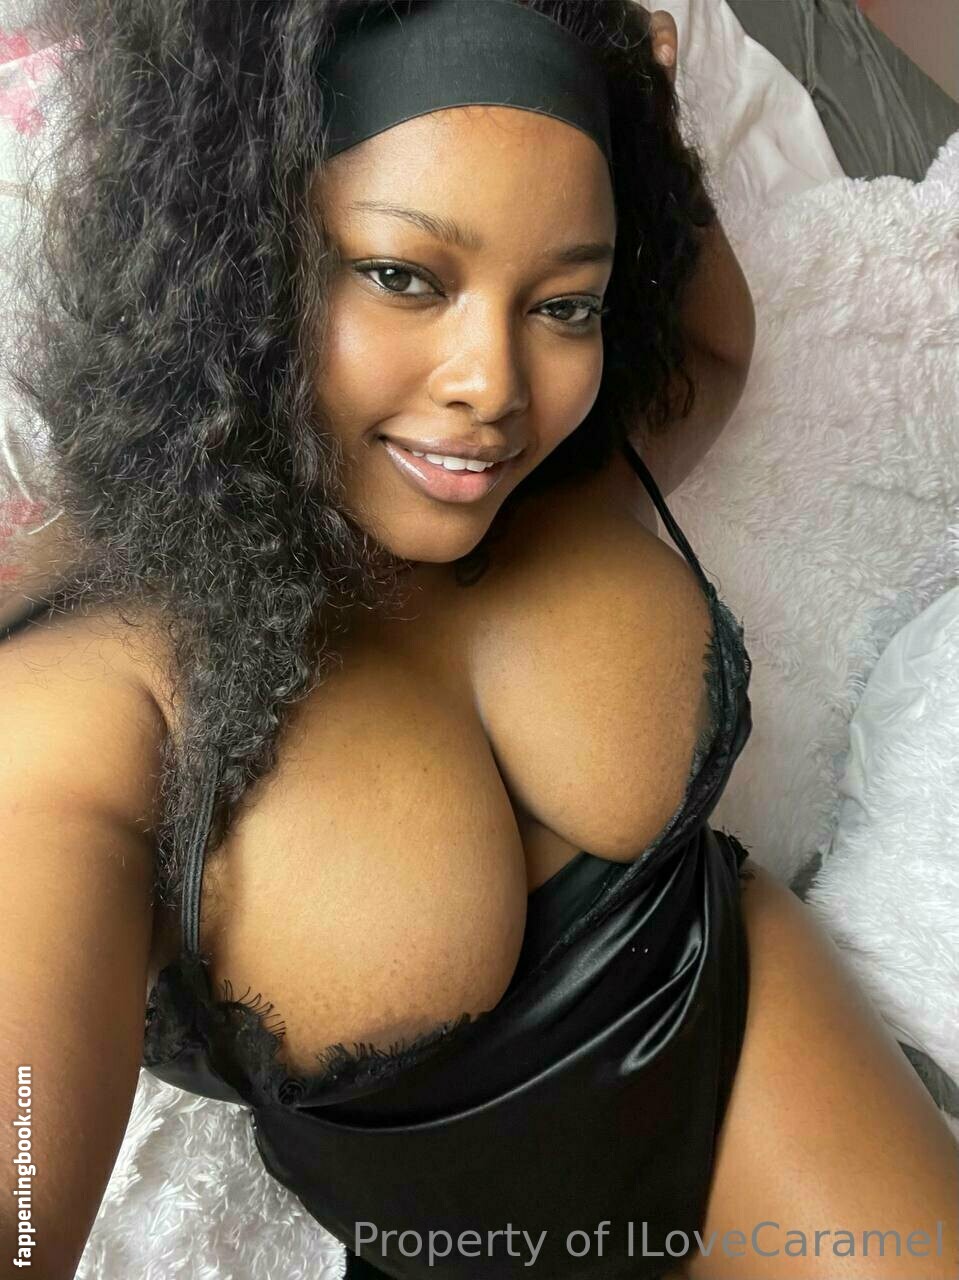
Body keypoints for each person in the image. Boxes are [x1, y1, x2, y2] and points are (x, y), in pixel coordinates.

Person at [0, 2, 956, 1277]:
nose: (494, 387)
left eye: (563, 303)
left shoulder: (556, 472)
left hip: (750, 1039)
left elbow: (711, 341)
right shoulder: (98, 695)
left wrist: (636, 113)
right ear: (238, 251)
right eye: (403, 276)